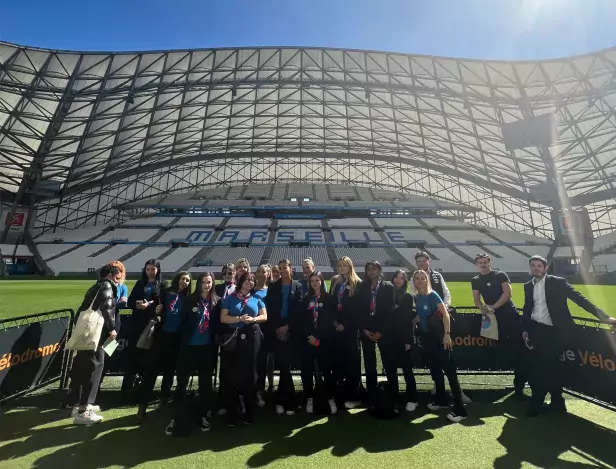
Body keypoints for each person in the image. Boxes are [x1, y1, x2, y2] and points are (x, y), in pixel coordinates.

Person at [523, 255, 616, 417]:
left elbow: (580, 300)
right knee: (546, 368)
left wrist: (605, 317)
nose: (536, 268)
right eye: (533, 266)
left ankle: (537, 404)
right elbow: (528, 308)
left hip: (556, 333)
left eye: (539, 265)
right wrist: (525, 329)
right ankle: (557, 402)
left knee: (543, 369)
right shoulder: (528, 286)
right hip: (537, 331)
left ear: (545, 268)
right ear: (530, 268)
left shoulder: (558, 282)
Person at [413, 252, 471, 404]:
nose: (421, 264)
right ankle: (439, 389)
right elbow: (414, 299)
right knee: (434, 362)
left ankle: (457, 394)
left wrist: (442, 310)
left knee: (448, 362)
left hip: (441, 325)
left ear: (428, 261)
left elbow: (447, 294)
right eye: (418, 261)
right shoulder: (415, 278)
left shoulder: (437, 276)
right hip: (426, 328)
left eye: (423, 261)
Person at [165, 272, 219, 435]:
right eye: (203, 282)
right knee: (181, 383)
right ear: (199, 284)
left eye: (209, 282)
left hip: (207, 349)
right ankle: (176, 417)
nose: (206, 285)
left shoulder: (217, 302)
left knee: (205, 385)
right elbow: (182, 322)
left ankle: (203, 415)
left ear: (213, 283)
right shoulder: (189, 300)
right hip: (189, 348)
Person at [137, 271, 192, 422]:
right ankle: (142, 406)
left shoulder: (188, 298)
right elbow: (154, 307)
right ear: (177, 280)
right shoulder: (165, 293)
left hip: (176, 340)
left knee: (169, 373)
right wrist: (156, 310)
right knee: (151, 372)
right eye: (182, 279)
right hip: (161, 337)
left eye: (187, 280)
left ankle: (163, 402)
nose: (184, 282)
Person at [69, 264, 121, 424]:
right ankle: (84, 410)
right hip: (96, 336)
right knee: (94, 368)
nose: (119, 281)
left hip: (86, 334)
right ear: (112, 275)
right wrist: (112, 329)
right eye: (118, 277)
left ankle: (79, 404)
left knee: (84, 368)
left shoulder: (96, 286)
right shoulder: (107, 287)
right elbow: (108, 308)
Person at [471, 253, 526, 398]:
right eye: (480, 263)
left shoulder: (500, 275)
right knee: (501, 349)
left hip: (509, 316)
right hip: (492, 319)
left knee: (518, 350)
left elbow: (508, 293)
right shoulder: (475, 280)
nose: (483, 265)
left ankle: (520, 386)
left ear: (490, 262)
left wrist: (493, 307)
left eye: (485, 262)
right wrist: (483, 308)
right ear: (476, 265)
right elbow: (476, 299)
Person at [220, 272, 267, 426]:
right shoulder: (230, 297)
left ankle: (249, 411)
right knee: (232, 375)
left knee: (250, 374)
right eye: (247, 280)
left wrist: (253, 319)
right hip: (234, 337)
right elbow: (223, 318)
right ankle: (232, 412)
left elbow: (264, 316)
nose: (250, 283)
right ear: (240, 281)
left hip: (252, 337)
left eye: (252, 280)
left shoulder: (256, 298)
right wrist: (239, 319)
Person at [121, 259, 167, 398]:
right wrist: (137, 304)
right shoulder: (140, 283)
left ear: (158, 270)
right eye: (148, 269)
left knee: (148, 359)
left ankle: (143, 391)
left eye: (153, 269)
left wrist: (151, 306)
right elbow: (129, 302)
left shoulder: (163, 285)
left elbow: (163, 305)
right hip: (136, 325)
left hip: (152, 326)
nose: (150, 272)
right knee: (132, 357)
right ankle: (127, 392)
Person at [357, 260, 397, 409]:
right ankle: (372, 396)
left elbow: (390, 311)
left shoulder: (389, 287)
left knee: (389, 363)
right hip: (367, 330)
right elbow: (360, 309)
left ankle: (394, 395)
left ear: (379, 270)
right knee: (369, 365)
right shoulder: (362, 286)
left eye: (374, 269)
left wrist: (381, 331)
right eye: (369, 269)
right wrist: (364, 329)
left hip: (383, 331)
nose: (371, 272)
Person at [265, 258, 302, 415]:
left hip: (292, 332)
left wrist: (288, 327)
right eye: (279, 268)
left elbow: (299, 310)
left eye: (284, 267)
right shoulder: (273, 286)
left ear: (290, 268)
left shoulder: (298, 286)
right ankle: (289, 402)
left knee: (286, 367)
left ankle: (283, 400)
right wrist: (278, 329)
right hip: (277, 331)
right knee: (284, 366)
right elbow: (270, 310)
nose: (281, 270)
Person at [299, 271, 337, 415]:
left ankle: (329, 397)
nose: (314, 283)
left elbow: (328, 321)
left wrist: (319, 337)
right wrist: (310, 336)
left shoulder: (329, 299)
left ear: (322, 281)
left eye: (317, 280)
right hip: (309, 340)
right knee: (307, 369)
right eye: (312, 281)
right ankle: (309, 397)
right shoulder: (306, 298)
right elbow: (302, 320)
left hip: (324, 340)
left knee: (326, 370)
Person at [330, 256, 362, 409]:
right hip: (336, 329)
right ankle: (340, 394)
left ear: (350, 266)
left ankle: (354, 396)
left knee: (352, 364)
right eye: (340, 265)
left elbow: (358, 310)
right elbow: (331, 304)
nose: (342, 268)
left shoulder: (357, 283)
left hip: (350, 330)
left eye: (345, 265)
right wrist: (335, 322)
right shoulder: (335, 282)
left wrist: (346, 325)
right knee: (338, 362)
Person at [391, 270, 418, 412]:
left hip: (404, 338)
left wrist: (408, 340)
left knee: (407, 369)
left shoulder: (408, 296)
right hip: (390, 337)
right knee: (392, 370)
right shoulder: (387, 294)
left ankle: (412, 398)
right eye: (396, 277)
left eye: (402, 278)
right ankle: (395, 398)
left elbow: (405, 319)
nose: (398, 280)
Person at [254, 264, 274, 406]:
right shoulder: (249, 289)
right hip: (251, 331)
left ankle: (260, 392)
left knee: (263, 363)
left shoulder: (271, 291)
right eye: (259, 271)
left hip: (266, 331)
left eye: (264, 272)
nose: (261, 274)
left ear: (269, 274)